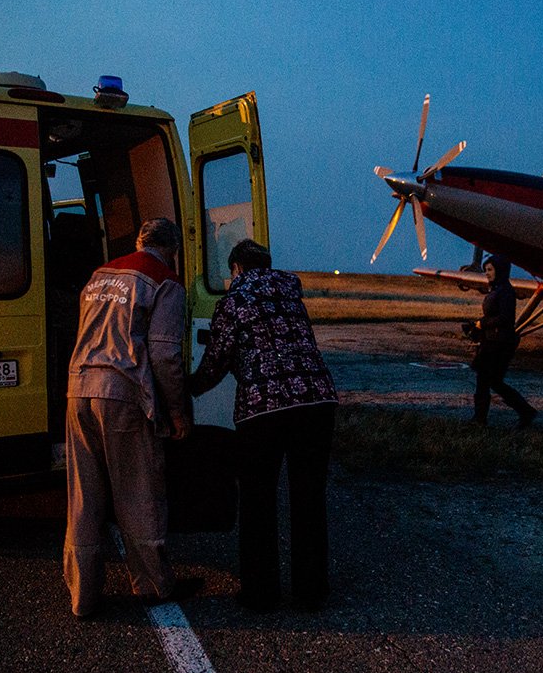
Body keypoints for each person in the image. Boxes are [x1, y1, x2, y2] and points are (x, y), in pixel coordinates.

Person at [63, 218, 201, 618]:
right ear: (172, 249)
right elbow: (164, 354)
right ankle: (154, 584)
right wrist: (178, 413)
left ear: (140, 241)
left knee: (83, 496)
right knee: (138, 492)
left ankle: (82, 594)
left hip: (78, 390)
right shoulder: (164, 281)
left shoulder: (99, 275)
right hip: (122, 394)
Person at [190, 239, 338, 613]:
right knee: (308, 498)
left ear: (236, 268)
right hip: (317, 401)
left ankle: (261, 592)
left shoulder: (234, 302)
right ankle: (310, 591)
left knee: (258, 499)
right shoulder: (291, 296)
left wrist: (187, 388)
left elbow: (217, 361)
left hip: (264, 408)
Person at [467, 254, 536, 427]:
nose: (487, 273)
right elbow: (494, 315)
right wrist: (477, 326)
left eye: (490, 270)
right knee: (491, 382)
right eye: (486, 270)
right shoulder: (497, 289)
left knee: (486, 381)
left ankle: (480, 419)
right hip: (493, 341)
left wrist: (482, 323)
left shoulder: (505, 291)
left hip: (499, 344)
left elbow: (506, 318)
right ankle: (524, 411)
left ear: (500, 270)